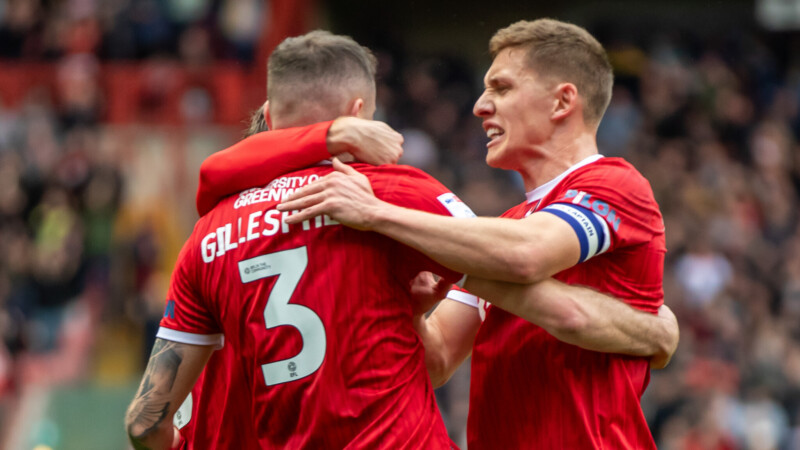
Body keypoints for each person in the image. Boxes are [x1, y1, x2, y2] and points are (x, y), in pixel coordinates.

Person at [265, 19, 668, 448]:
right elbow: (437, 361)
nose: (480, 106)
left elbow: (528, 256)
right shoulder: (502, 230)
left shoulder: (614, 184)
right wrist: (414, 312)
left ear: (562, 101)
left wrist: (378, 214)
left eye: (502, 88)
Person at [125, 30, 483, 449]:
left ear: (269, 117)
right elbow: (503, 258)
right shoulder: (386, 192)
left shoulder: (207, 236)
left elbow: (144, 424)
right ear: (359, 113)